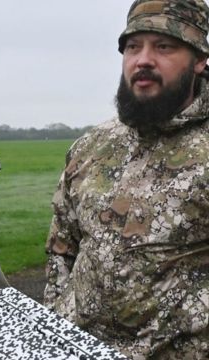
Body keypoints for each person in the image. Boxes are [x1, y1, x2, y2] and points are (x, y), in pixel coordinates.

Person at [44, 0, 209, 358]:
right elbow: (62, 248)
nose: (143, 59)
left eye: (164, 46)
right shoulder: (92, 147)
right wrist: (54, 325)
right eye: (133, 46)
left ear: (199, 60)